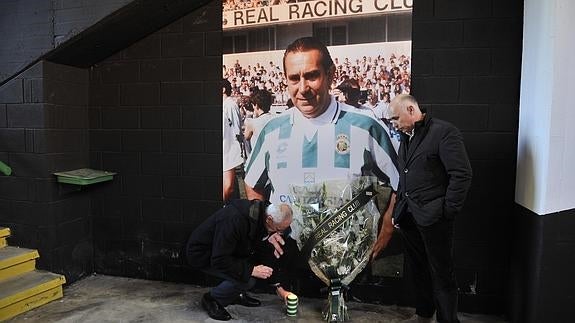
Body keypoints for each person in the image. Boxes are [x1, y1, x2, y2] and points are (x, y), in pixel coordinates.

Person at [243, 36, 400, 262]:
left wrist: (387, 227)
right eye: (294, 78)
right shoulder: (272, 131)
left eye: (312, 75)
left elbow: (400, 183)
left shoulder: (365, 127)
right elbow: (253, 184)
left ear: (330, 75)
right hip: (290, 255)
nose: (303, 88)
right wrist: (267, 228)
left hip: (349, 258)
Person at [387, 94, 473, 323]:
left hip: (435, 218)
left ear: (411, 110)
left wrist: (448, 210)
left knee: (442, 275)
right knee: (419, 271)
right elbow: (404, 177)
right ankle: (424, 315)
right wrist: (398, 212)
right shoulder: (407, 137)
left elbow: (461, 174)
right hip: (410, 218)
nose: (393, 123)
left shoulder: (444, 132)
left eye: (395, 118)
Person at [186, 200, 294, 321]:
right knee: (247, 280)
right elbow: (219, 259)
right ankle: (212, 299)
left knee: (253, 271)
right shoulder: (234, 219)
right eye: (279, 229)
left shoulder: (263, 218)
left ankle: (234, 295)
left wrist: (278, 287)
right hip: (204, 254)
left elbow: (263, 254)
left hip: (231, 252)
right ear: (269, 219)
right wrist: (251, 270)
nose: (280, 233)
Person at [222, 79, 244, 203]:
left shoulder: (229, 104)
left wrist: (237, 145)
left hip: (231, 147)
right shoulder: (225, 104)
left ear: (223, 89)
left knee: (231, 185)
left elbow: (236, 126)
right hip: (228, 147)